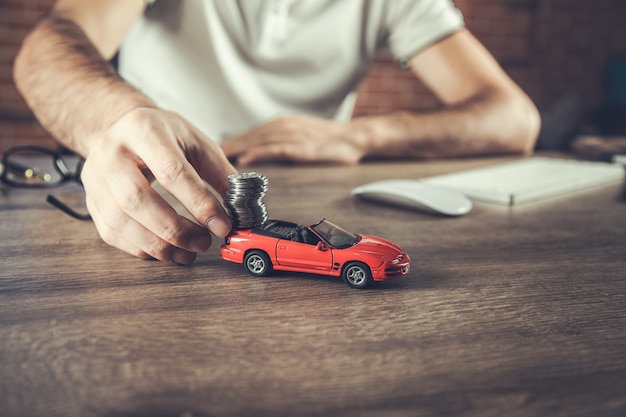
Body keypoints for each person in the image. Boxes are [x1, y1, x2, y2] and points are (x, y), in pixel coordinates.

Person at [13, 0, 541, 265]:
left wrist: (358, 137)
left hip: (321, 192)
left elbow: (513, 118)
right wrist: (117, 118)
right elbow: (49, 45)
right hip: (156, 198)